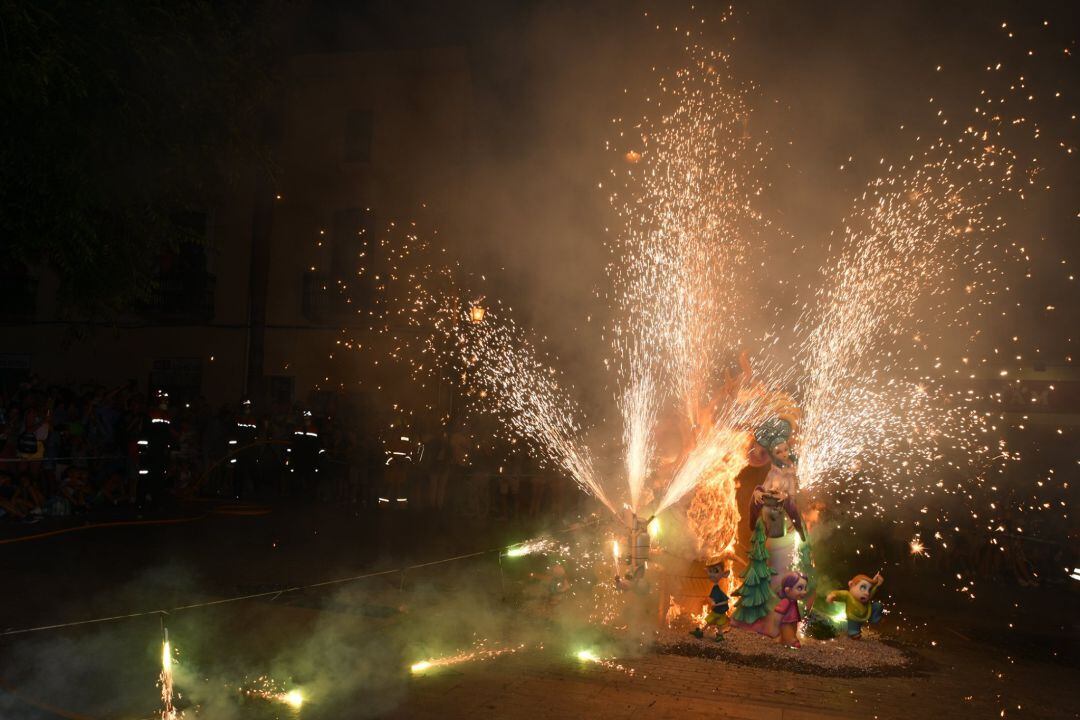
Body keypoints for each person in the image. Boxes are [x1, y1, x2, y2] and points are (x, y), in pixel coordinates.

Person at [826, 572, 884, 639]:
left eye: (869, 590)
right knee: (854, 630)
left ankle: (874, 619)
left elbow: (872, 592)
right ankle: (854, 632)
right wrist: (833, 595)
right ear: (851, 585)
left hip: (866, 614)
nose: (867, 593)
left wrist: (877, 584)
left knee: (877, 605)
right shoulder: (848, 595)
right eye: (863, 588)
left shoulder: (866, 598)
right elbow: (840, 594)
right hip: (854, 618)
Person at [773, 572, 809, 648]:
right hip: (786, 623)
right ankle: (792, 642)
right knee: (790, 636)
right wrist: (776, 623)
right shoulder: (786, 601)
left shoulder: (794, 601)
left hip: (793, 621)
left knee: (792, 632)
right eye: (800, 588)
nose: (804, 592)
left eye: (805, 588)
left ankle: (783, 640)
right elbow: (778, 612)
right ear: (787, 590)